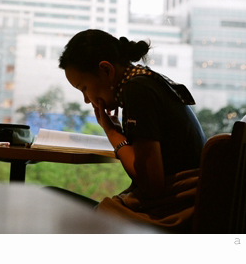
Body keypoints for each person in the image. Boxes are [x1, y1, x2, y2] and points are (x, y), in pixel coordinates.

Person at [57, 29, 206, 232]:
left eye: (83, 88)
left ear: (106, 70)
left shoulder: (137, 90)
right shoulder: (144, 80)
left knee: (53, 200)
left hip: (172, 212)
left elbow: (151, 185)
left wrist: (112, 133)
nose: (86, 99)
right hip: (189, 203)